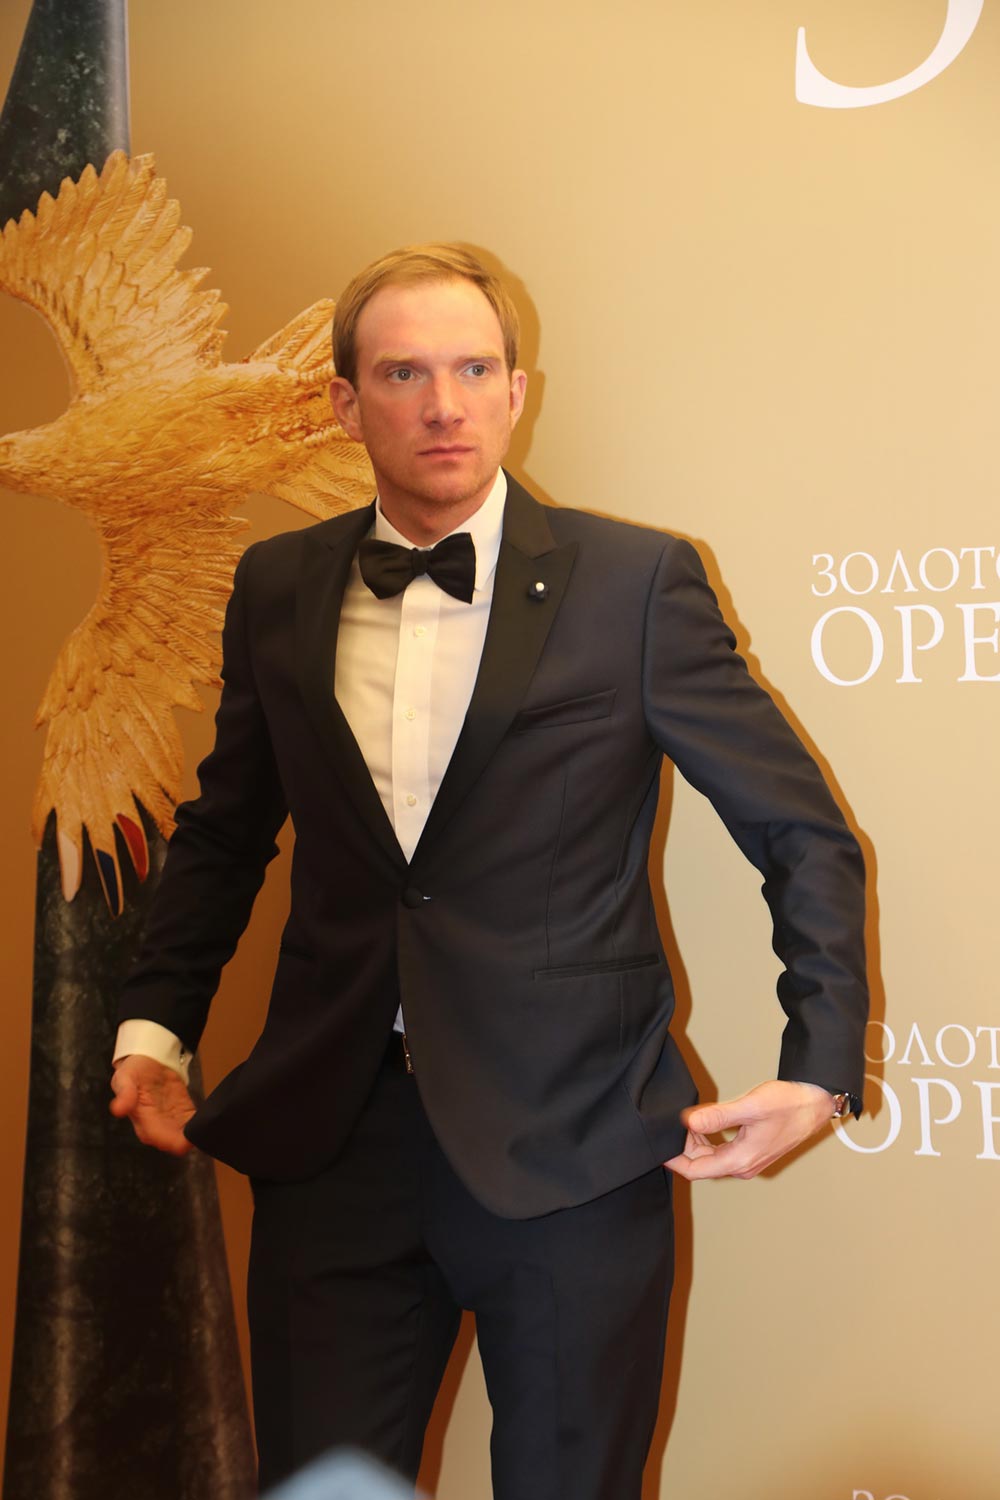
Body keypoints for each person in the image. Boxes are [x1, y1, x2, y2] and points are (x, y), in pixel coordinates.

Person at [111, 244, 868, 1500]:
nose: (443, 405)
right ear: (346, 402)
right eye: (402, 373)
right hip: (333, 1146)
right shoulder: (278, 586)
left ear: (517, 392)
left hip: (571, 1145)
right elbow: (226, 830)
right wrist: (155, 1024)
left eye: (473, 371)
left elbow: (800, 831)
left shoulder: (636, 584)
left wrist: (820, 1066)